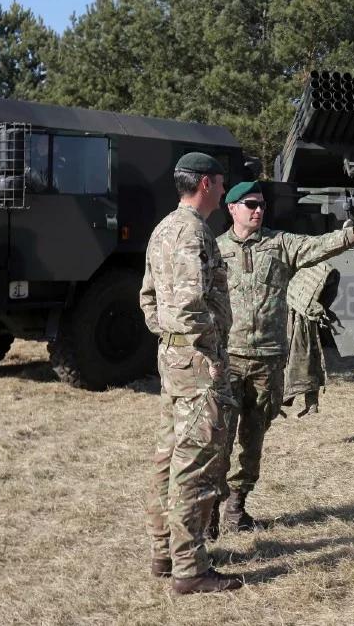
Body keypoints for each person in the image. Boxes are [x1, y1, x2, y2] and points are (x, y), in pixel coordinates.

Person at [215, 181, 354, 532]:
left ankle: (236, 509)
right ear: (232, 208)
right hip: (227, 361)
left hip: (268, 360)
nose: (258, 210)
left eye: (261, 204)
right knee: (217, 439)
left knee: (254, 436)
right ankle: (205, 515)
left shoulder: (279, 244)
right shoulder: (215, 250)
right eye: (250, 204)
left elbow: (316, 246)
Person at [139, 152, 241, 594]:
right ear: (204, 183)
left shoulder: (164, 228)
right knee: (196, 463)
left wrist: (170, 343)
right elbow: (185, 306)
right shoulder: (191, 232)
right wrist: (207, 351)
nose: (223, 190)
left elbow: (147, 299)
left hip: (175, 361)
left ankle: (164, 551)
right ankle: (190, 568)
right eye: (220, 183)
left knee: (169, 454)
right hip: (197, 365)